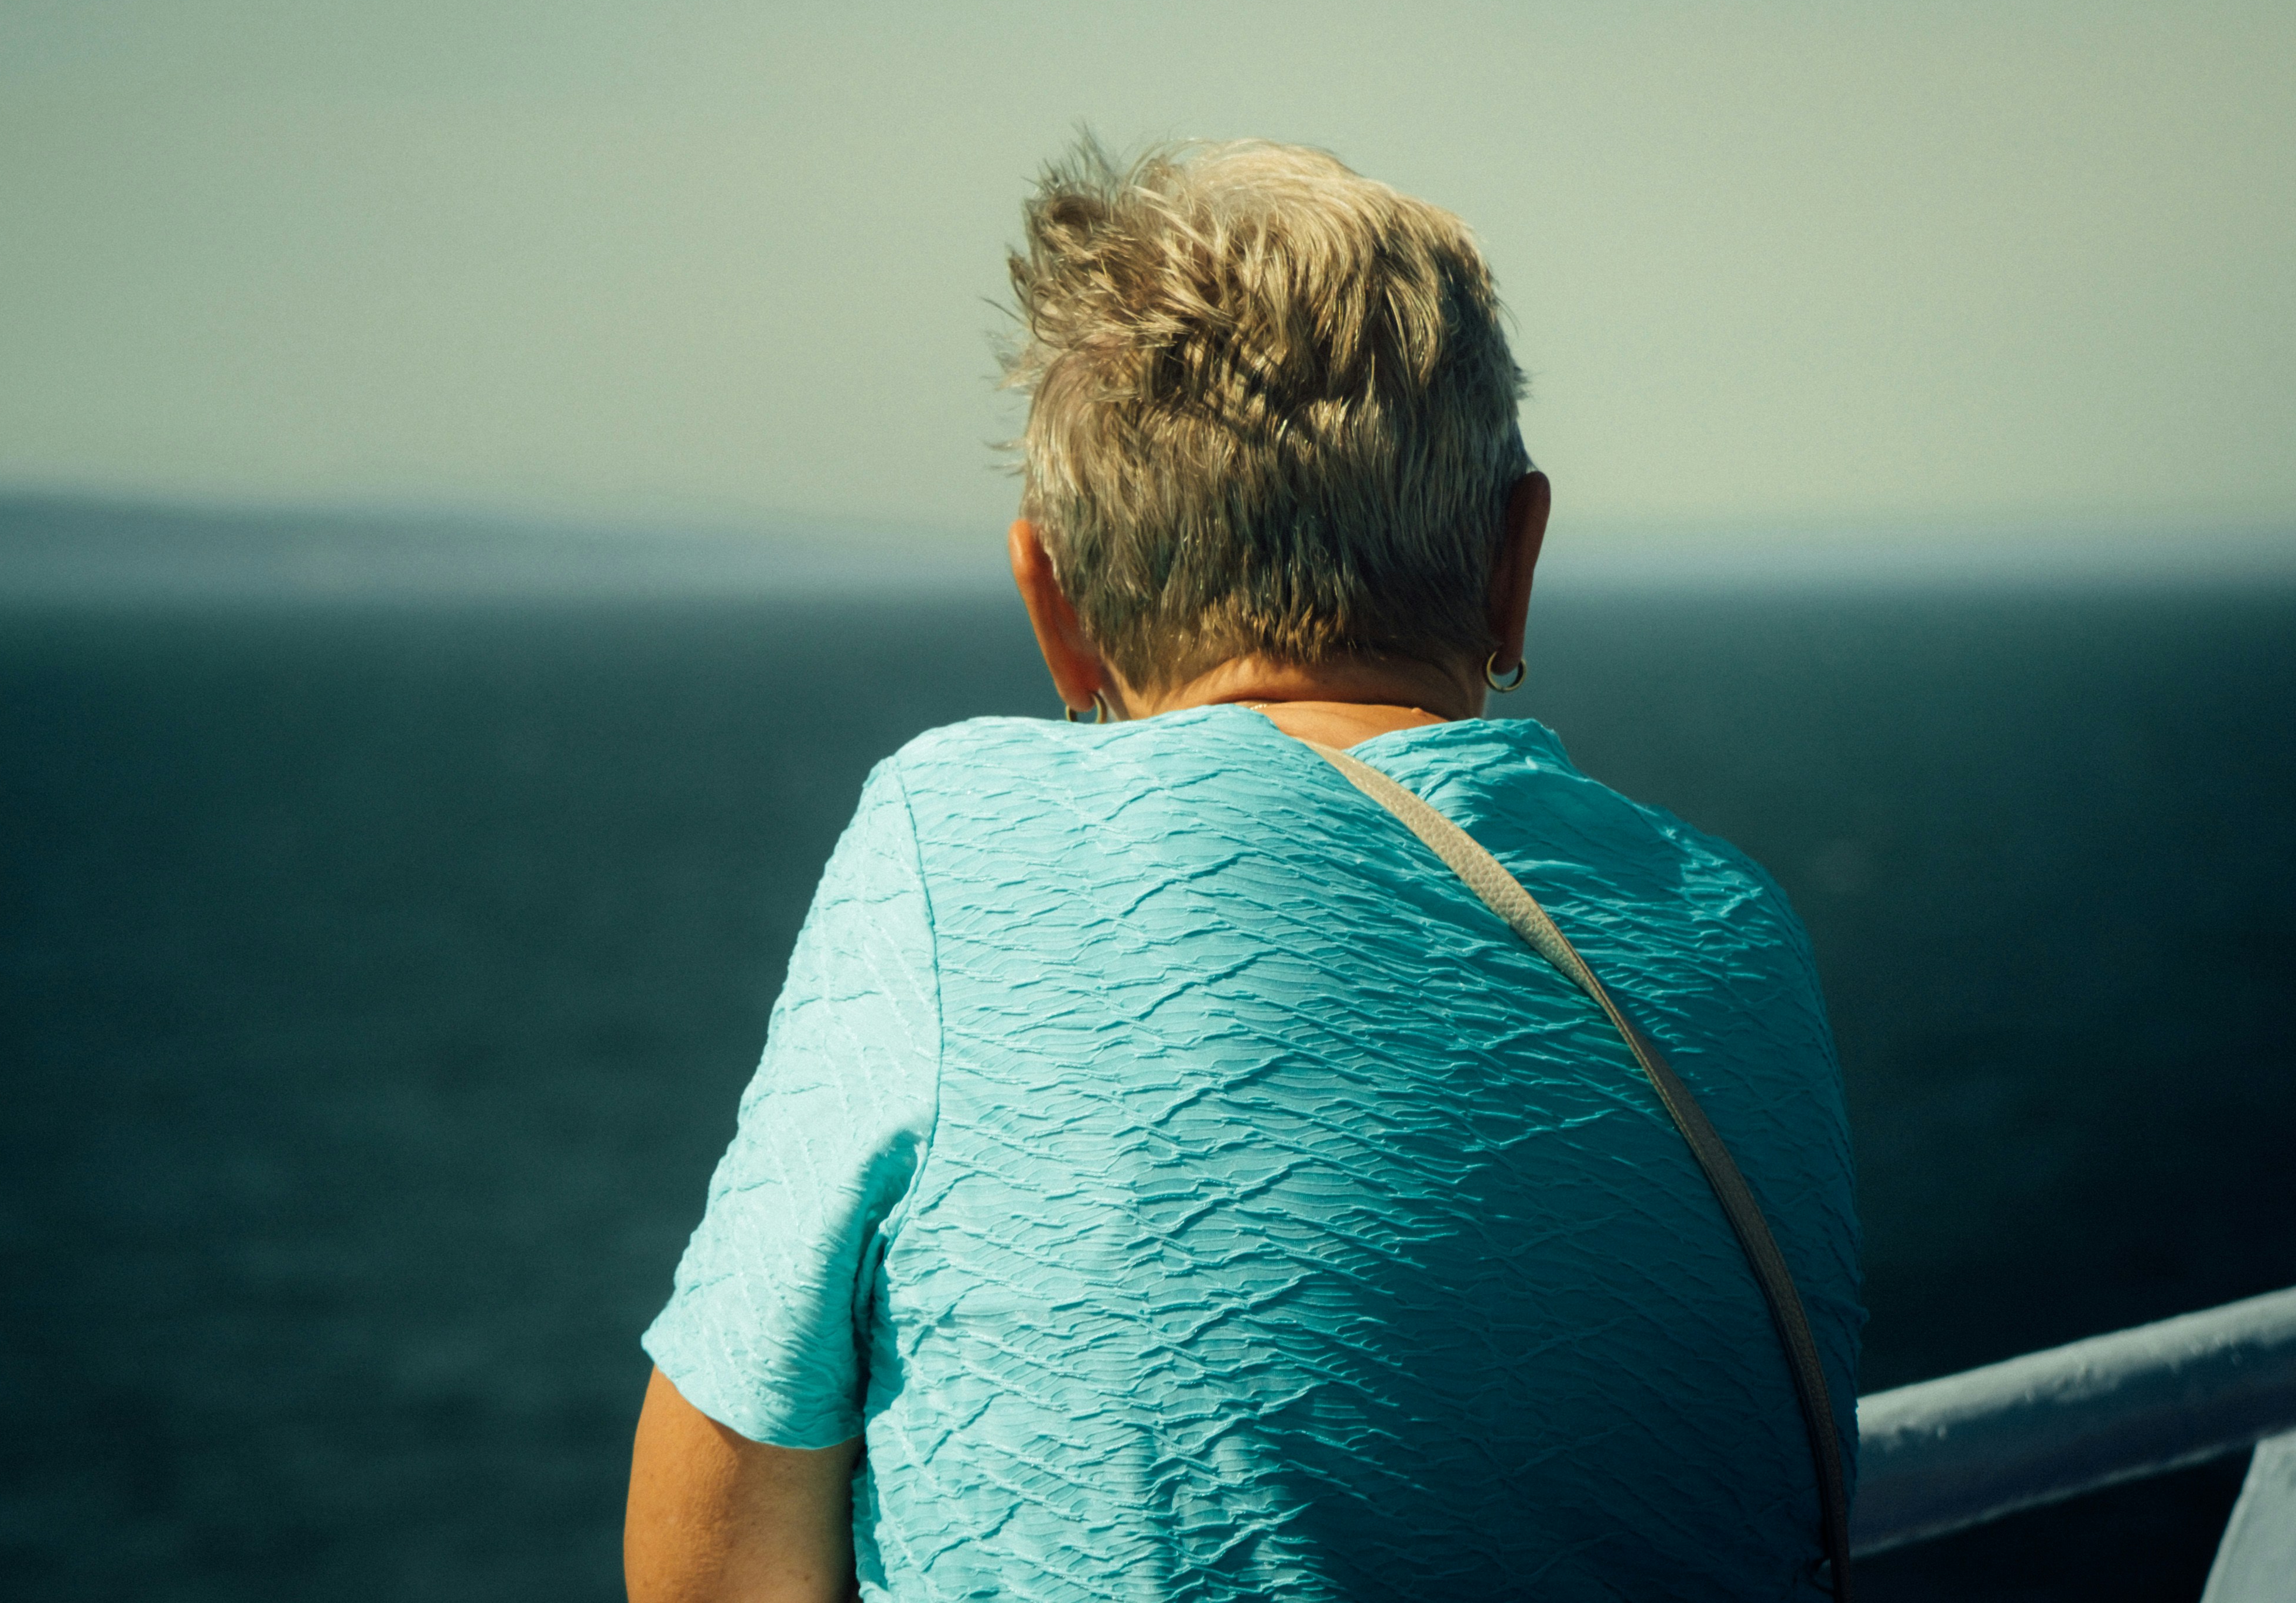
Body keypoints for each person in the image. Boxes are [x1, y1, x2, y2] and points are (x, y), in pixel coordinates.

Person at [623, 138, 1862, 1601]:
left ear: (1054, 609)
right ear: (1515, 555)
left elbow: (711, 1551)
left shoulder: (958, 836)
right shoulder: (1737, 930)